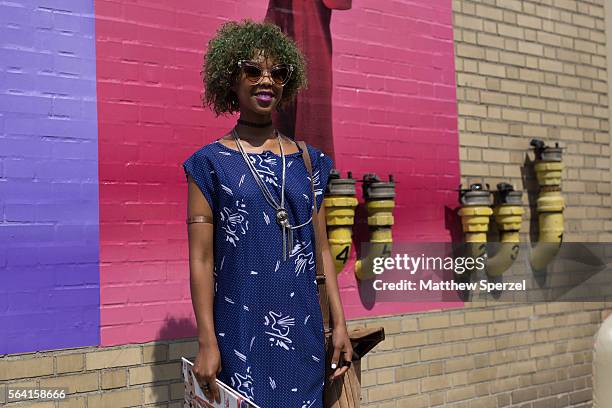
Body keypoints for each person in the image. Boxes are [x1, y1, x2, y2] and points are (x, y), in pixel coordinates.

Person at [182, 20, 353, 408]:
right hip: (239, 334)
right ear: (230, 78)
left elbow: (322, 250)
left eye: (278, 73)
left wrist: (339, 324)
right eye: (253, 69)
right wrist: (207, 342)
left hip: (305, 332)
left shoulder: (310, 163)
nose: (267, 80)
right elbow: (201, 259)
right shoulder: (208, 165)